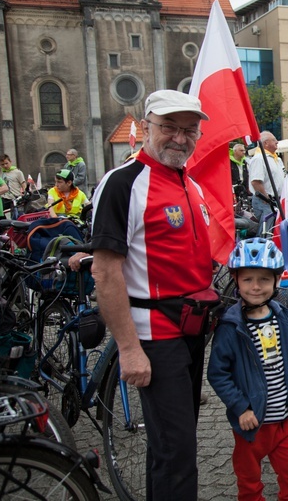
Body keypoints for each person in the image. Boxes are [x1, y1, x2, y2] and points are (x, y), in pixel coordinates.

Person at [91, 89, 214, 500]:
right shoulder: (123, 183)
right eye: (169, 128)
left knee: (172, 445)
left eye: (189, 130)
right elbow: (106, 272)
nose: (180, 138)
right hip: (154, 336)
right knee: (177, 450)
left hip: (191, 328)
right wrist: (128, 349)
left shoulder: (189, 182)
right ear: (145, 128)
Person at [208, 238, 288, 501]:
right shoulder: (230, 326)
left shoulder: (283, 317)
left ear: (276, 281)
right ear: (236, 280)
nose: (255, 286)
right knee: (249, 481)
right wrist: (240, 407)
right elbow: (218, 373)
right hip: (251, 427)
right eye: (248, 279)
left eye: (263, 279)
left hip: (283, 423)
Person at [249, 131, 286, 235]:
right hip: (265, 201)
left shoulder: (277, 159)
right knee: (266, 231)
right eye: (274, 140)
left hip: (276, 200)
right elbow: (256, 182)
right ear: (265, 143)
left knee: (274, 230)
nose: (277, 142)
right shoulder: (259, 159)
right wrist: (267, 199)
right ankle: (262, 249)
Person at [0, 154, 26, 219]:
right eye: (2, 164)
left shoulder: (17, 172)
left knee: (15, 216)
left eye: (6, 163)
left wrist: (24, 193)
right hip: (3, 198)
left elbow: (23, 184)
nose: (5, 166)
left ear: (10, 162)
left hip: (15, 197)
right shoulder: (0, 171)